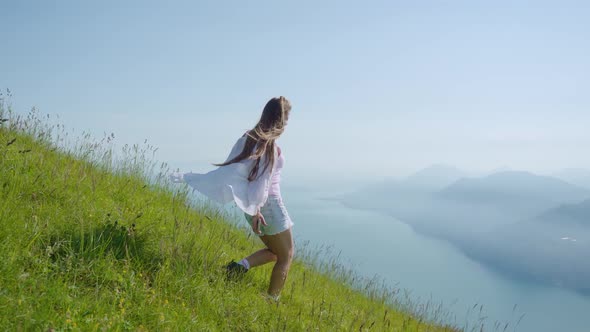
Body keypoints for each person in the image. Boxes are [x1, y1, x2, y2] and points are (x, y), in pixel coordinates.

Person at [170, 96, 294, 302]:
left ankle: (238, 268)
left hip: (254, 207)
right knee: (287, 255)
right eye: (287, 118)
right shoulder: (269, 146)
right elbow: (262, 182)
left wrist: (252, 210)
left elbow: (234, 172)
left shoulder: (249, 139)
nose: (287, 124)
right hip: (266, 206)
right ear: (279, 119)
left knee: (275, 252)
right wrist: (256, 210)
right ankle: (271, 300)